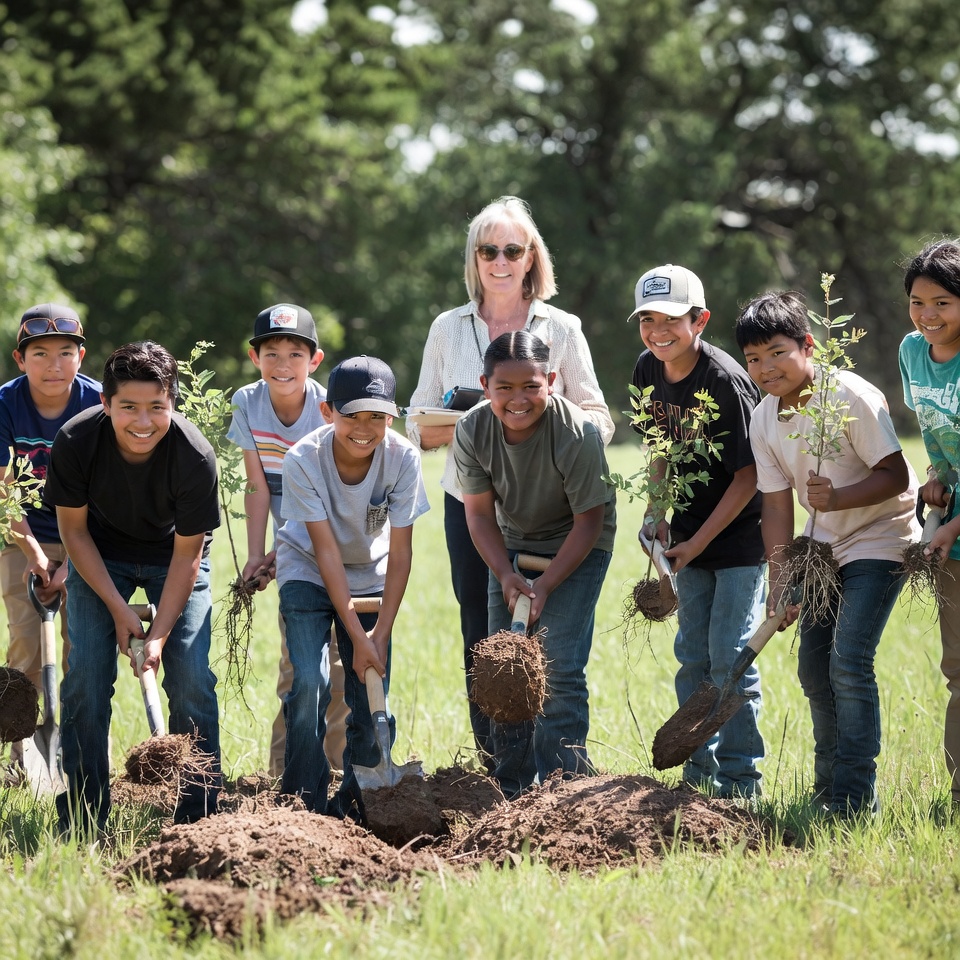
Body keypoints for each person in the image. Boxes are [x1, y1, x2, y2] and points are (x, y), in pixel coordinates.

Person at [406, 195, 613, 770]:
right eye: (487, 250)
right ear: (474, 258)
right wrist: (481, 420)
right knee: (484, 635)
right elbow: (417, 423)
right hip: (474, 501)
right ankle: (498, 767)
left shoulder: (563, 328)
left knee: (553, 645)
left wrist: (541, 422)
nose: (499, 261)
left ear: (531, 258)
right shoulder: (447, 328)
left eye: (512, 250)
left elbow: (598, 416)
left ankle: (556, 770)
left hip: (555, 503)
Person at [736, 290, 919, 817]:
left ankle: (855, 797)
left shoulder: (847, 395)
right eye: (754, 358)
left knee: (849, 661)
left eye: (777, 352)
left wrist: (837, 498)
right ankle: (828, 788)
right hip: (822, 549)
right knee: (815, 670)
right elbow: (776, 507)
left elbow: (895, 475)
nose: (766, 368)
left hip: (881, 536)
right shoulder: (764, 419)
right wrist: (779, 581)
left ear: (808, 346)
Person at [45, 341, 222, 836]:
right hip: (99, 554)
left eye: (156, 407)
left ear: (173, 404)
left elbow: (188, 556)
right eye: (128, 407)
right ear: (105, 403)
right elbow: (73, 534)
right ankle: (84, 815)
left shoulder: (194, 456)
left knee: (191, 677)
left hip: (173, 557)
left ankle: (200, 817)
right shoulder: (76, 441)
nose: (143, 422)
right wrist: (119, 609)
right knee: (85, 676)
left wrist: (158, 635)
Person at [453, 331, 616, 799]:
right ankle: (512, 789)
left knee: (558, 664)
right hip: (512, 541)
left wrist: (545, 585)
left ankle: (566, 788)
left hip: (578, 542)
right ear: (485, 386)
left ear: (552, 380)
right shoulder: (472, 430)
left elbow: (589, 522)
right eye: (504, 388)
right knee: (503, 666)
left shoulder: (577, 431)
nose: (518, 399)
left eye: (531, 386)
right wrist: (506, 575)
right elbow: (479, 516)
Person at [629, 264, 766, 799]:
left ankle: (740, 780)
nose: (658, 331)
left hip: (737, 540)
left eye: (671, 319)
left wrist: (698, 544)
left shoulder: (724, 381)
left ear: (700, 320)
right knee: (692, 655)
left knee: (729, 655)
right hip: (685, 539)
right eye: (648, 319)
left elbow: (748, 477)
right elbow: (659, 448)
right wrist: (656, 512)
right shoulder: (647, 368)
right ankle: (697, 775)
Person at [276, 355, 429, 819]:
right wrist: (357, 636)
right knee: (309, 682)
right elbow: (325, 553)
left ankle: (360, 801)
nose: (364, 428)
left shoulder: (402, 457)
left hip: (371, 574)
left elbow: (400, 554)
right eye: (352, 415)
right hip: (307, 570)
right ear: (327, 412)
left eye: (377, 417)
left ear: (391, 417)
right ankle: (303, 800)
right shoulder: (304, 459)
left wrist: (377, 635)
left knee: (369, 689)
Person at [226, 302, 349, 777]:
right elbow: (256, 484)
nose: (283, 365)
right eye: (271, 353)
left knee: (342, 662)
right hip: (292, 547)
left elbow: (326, 498)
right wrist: (258, 554)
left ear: (314, 361)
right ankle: (286, 770)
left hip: (337, 538)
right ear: (254, 357)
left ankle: (338, 767)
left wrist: (281, 550)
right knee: (299, 662)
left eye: (295, 354)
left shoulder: (326, 410)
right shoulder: (247, 402)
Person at [0, 304, 102, 778]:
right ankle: (20, 759)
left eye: (65, 352)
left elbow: (109, 490)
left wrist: (74, 562)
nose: (53, 365)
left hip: (89, 536)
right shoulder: (5, 403)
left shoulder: (99, 403)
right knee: (26, 645)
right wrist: (36, 555)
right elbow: (5, 491)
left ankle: (81, 755)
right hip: (22, 536)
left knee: (81, 648)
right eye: (39, 353)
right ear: (21, 359)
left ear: (81, 356)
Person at [899, 238, 960, 807]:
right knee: (958, 669)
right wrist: (937, 478)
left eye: (943, 302)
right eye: (918, 302)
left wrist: (952, 527)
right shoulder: (913, 351)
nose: (928, 315)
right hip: (951, 530)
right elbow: (933, 431)